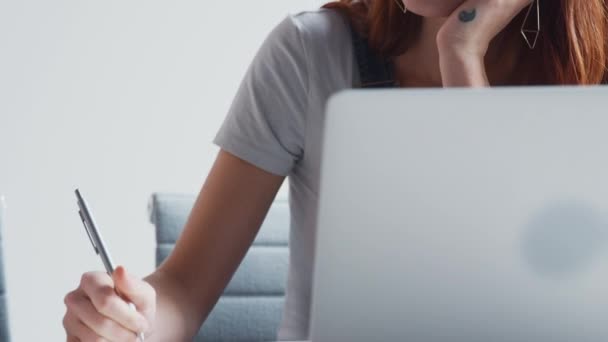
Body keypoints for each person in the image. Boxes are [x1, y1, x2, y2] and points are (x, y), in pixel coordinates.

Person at [63, 0, 608, 340]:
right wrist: (129, 321)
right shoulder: (310, 53)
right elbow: (183, 291)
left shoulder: (594, 82)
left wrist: (462, 56)